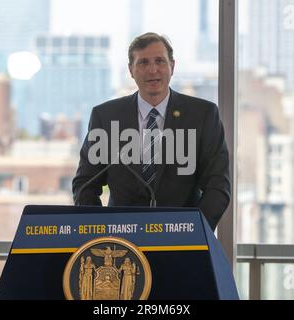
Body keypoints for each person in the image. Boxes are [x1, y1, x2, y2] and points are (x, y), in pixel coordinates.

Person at [72, 32, 231, 230]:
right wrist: (102, 231)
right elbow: (85, 185)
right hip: (122, 243)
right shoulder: (106, 117)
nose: (153, 70)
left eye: (160, 61)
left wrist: (195, 232)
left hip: (183, 243)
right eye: (143, 63)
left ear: (172, 66)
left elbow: (218, 186)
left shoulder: (203, 115)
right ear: (131, 70)